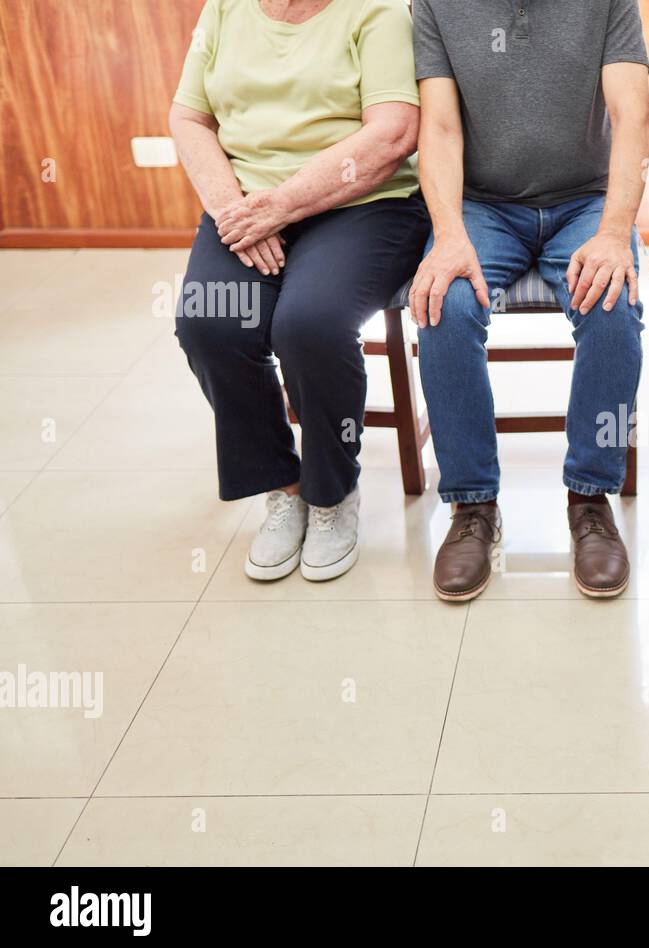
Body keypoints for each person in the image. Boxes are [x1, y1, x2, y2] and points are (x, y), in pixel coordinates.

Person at [171, 0, 427, 582]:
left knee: (308, 324)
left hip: (362, 206)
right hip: (242, 204)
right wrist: (235, 211)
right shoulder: (225, 9)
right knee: (209, 323)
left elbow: (393, 133)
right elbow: (189, 118)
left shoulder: (378, 11)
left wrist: (279, 206)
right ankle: (284, 486)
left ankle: (333, 493)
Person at [408, 0, 649, 602]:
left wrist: (616, 233)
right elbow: (437, 126)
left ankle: (590, 500)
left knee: (613, 308)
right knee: (446, 306)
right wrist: (449, 235)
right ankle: (472, 506)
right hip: (482, 208)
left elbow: (632, 115)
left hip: (585, 203)